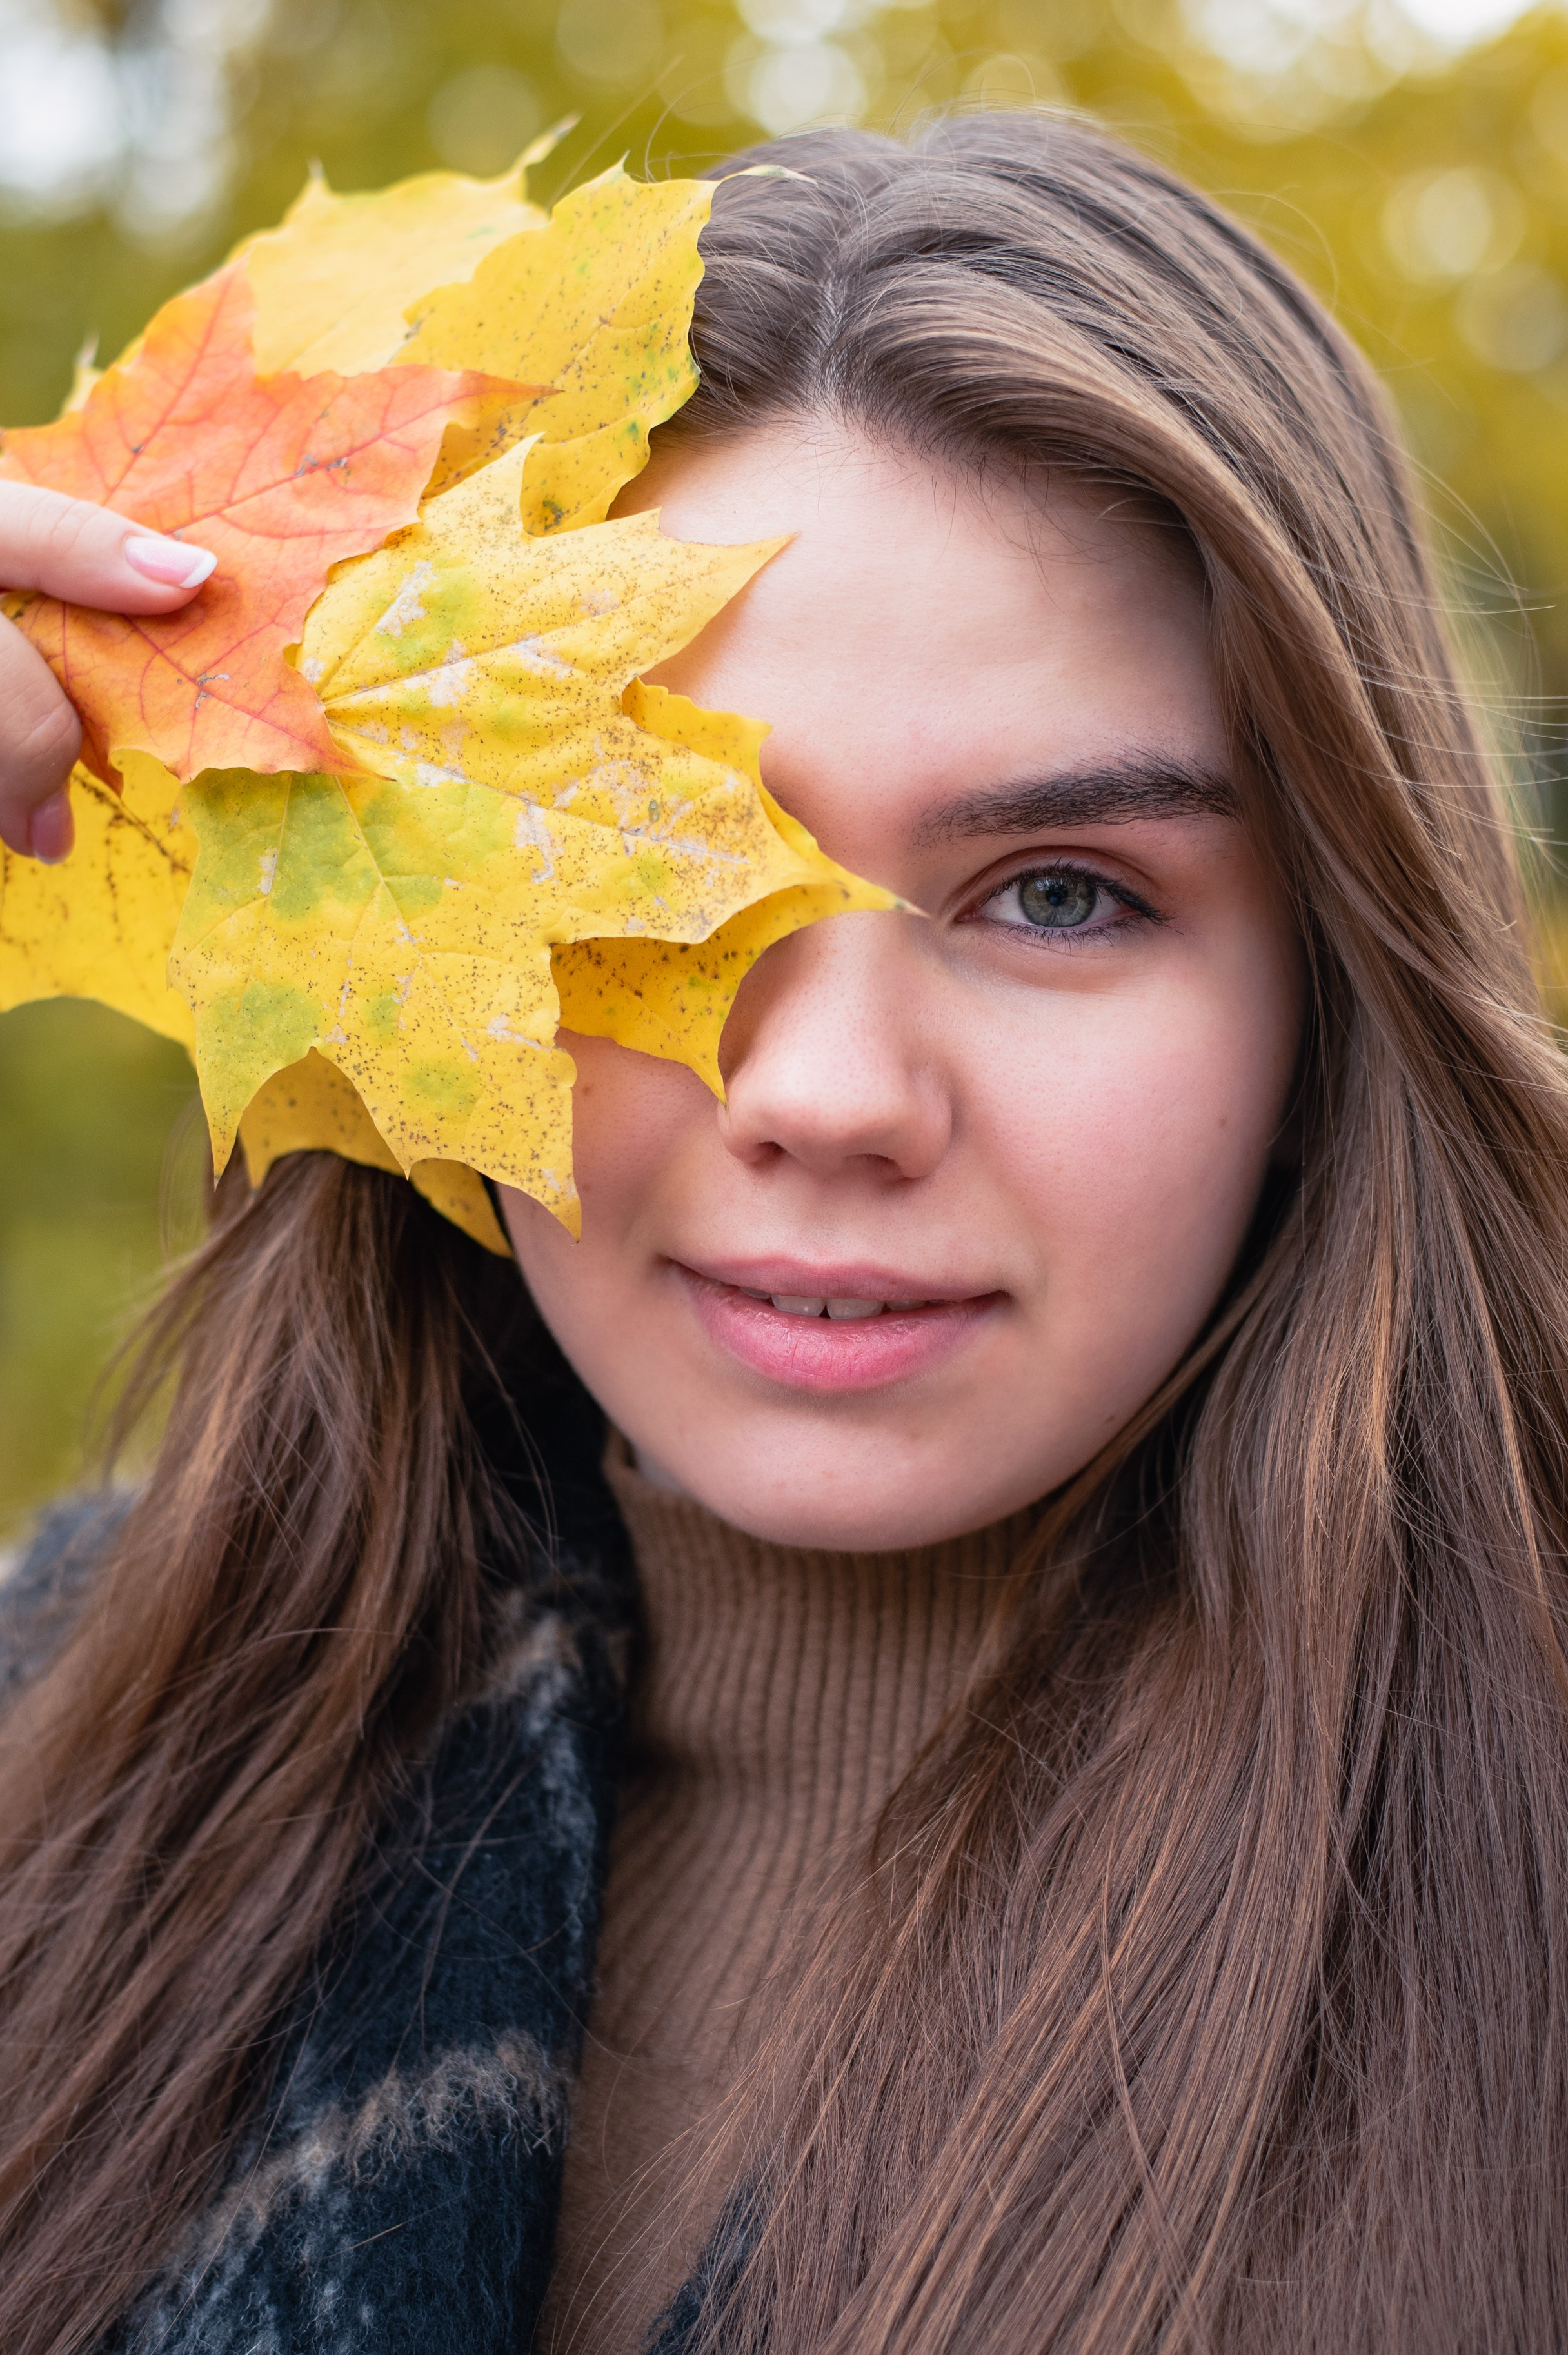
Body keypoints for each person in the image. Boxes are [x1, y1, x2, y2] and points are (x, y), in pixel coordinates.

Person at [1, 108, 1565, 2355]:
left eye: (1060, 896)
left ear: (1329, 988)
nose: (829, 1097)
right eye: (661, 870)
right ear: (390, 921)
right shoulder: (63, 1748)